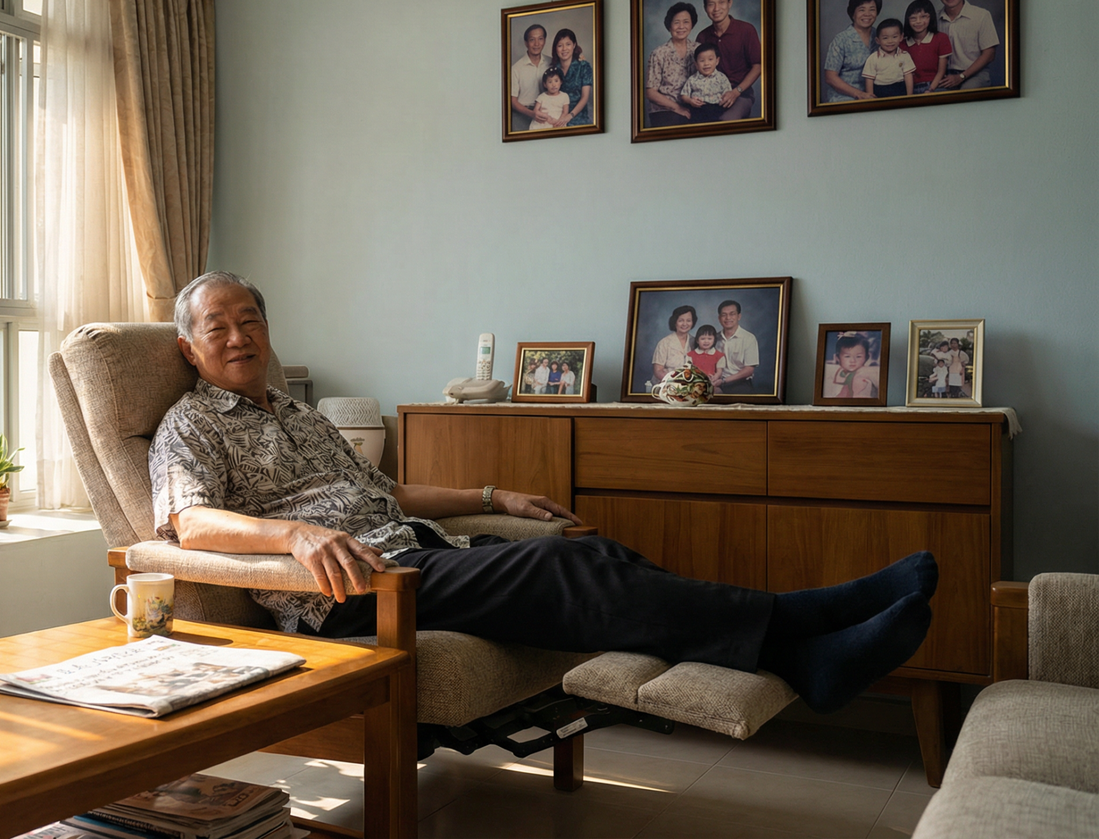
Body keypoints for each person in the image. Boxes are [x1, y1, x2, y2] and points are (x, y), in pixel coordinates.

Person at [150, 271, 938, 716]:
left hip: (418, 552)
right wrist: (292, 536)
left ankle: (804, 655)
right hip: (354, 590)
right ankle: (806, 617)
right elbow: (188, 522)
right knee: (562, 568)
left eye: (250, 320)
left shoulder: (299, 412)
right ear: (189, 347)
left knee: (594, 554)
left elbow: (386, 490)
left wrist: (495, 494)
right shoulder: (190, 424)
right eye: (218, 327)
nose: (239, 337)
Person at [696, 0, 762, 120]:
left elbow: (758, 66)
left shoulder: (746, 30)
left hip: (741, 94)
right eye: (711, 4)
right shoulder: (702, 36)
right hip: (710, 96)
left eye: (721, 2)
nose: (716, 9)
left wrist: (736, 92)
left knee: (725, 122)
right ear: (705, 8)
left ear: (729, 3)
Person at [932, 0, 999, 91]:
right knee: (928, 95)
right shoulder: (933, 19)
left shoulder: (981, 15)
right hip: (943, 75)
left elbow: (989, 54)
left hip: (975, 74)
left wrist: (962, 76)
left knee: (965, 93)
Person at [645, 2, 699, 127]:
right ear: (669, 26)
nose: (681, 26)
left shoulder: (698, 50)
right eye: (676, 22)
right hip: (665, 110)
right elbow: (651, 93)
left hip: (692, 106)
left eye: (686, 22)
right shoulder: (659, 53)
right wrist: (677, 108)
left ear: (692, 24)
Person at [824, 0, 881, 102]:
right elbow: (830, 77)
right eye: (861, 10)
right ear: (853, 14)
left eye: (872, 9)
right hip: (845, 98)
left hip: (874, 95)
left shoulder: (880, 36)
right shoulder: (841, 40)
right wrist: (859, 94)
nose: (867, 14)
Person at [901, 0, 953, 94]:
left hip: (935, 86)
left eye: (923, 17)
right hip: (910, 88)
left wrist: (930, 90)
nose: (918, 21)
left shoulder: (941, 38)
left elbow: (941, 71)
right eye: (913, 18)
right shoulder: (902, 43)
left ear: (930, 17)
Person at [547, 28, 594, 127]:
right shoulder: (553, 69)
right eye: (560, 45)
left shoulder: (584, 66)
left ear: (574, 45)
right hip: (556, 116)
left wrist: (569, 116)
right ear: (555, 48)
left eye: (568, 44)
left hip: (578, 117)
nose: (564, 49)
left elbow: (585, 97)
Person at [510, 24, 551, 132]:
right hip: (523, 113)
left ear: (544, 41)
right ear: (526, 43)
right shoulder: (516, 68)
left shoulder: (551, 63)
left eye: (540, 39)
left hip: (547, 112)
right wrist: (532, 114)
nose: (536, 44)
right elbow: (512, 101)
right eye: (532, 40)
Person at [862, 19, 916, 98]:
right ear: (878, 40)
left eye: (894, 37)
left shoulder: (904, 55)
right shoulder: (873, 58)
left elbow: (908, 76)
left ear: (901, 37)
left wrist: (909, 96)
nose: (890, 41)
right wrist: (870, 98)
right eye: (885, 38)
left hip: (900, 89)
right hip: (880, 90)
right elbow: (869, 79)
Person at [680, 43, 733, 122]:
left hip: (716, 108)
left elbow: (728, 94)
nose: (706, 64)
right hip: (698, 108)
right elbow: (684, 95)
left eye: (710, 59)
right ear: (696, 64)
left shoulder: (722, 78)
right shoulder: (692, 79)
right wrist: (690, 101)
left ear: (717, 61)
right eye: (702, 61)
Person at [715, 300, 759, 394]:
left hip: (740, 383)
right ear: (719, 318)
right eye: (724, 315)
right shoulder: (714, 338)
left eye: (732, 314)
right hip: (717, 382)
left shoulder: (749, 338)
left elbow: (749, 370)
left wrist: (724, 381)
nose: (728, 318)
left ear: (739, 316)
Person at [651, 305, 698, 386]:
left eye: (688, 320)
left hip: (689, 385)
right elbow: (658, 371)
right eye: (681, 320)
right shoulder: (664, 343)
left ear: (693, 322)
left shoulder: (696, 342)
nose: (685, 324)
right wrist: (675, 382)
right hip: (666, 384)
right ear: (675, 322)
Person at [824, 334, 881, 399]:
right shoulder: (849, 374)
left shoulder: (862, 375)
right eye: (847, 356)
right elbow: (844, 393)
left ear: (867, 357)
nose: (853, 361)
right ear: (837, 357)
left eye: (858, 356)